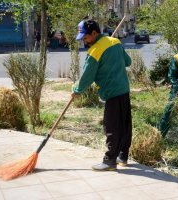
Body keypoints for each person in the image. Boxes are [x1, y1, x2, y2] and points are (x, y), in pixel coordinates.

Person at [72, 19, 132, 171]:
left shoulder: (95, 50)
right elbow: (127, 61)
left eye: (85, 38)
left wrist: (77, 90)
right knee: (124, 125)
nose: (84, 42)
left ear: (94, 33)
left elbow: (87, 76)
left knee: (112, 126)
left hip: (111, 92)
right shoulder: (115, 42)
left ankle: (110, 160)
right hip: (124, 89)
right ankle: (122, 156)